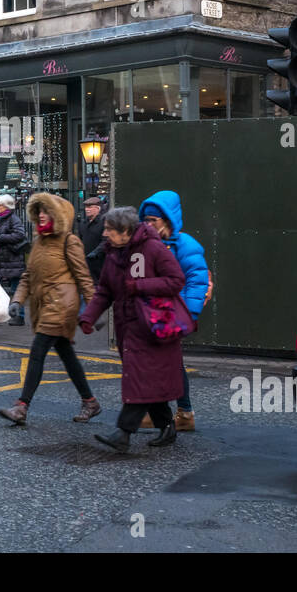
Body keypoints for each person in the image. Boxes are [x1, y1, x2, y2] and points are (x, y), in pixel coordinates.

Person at [78, 206, 187, 451]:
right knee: (146, 379)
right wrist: (88, 317)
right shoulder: (113, 253)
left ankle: (123, 433)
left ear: (126, 231)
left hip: (151, 326)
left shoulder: (153, 247)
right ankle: (167, 426)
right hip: (128, 327)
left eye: (109, 230)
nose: (105, 234)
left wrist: (141, 286)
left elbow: (176, 280)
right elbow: (105, 290)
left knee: (139, 379)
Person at [0, 193, 102, 425]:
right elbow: (27, 276)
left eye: (47, 211)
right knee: (67, 355)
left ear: (58, 215)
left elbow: (84, 277)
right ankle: (90, 401)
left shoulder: (69, 241)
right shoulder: (39, 242)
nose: (42, 215)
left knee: (37, 353)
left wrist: (94, 310)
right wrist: (16, 301)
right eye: (39, 211)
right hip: (44, 306)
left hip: (62, 306)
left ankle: (22, 407)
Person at [139, 190, 212, 433]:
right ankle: (164, 412)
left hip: (172, 314)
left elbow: (197, 281)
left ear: (167, 220)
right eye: (146, 220)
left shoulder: (185, 245)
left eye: (153, 221)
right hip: (151, 314)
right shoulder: (147, 244)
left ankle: (183, 413)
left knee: (169, 364)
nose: (148, 224)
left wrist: (190, 314)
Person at [0, 193, 28, 326]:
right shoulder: (3, 219)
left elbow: (20, 235)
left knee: (16, 288)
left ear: (6, 206)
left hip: (13, 260)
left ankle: (19, 316)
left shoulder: (13, 219)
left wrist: (1, 237)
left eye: (0, 205)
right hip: (4, 259)